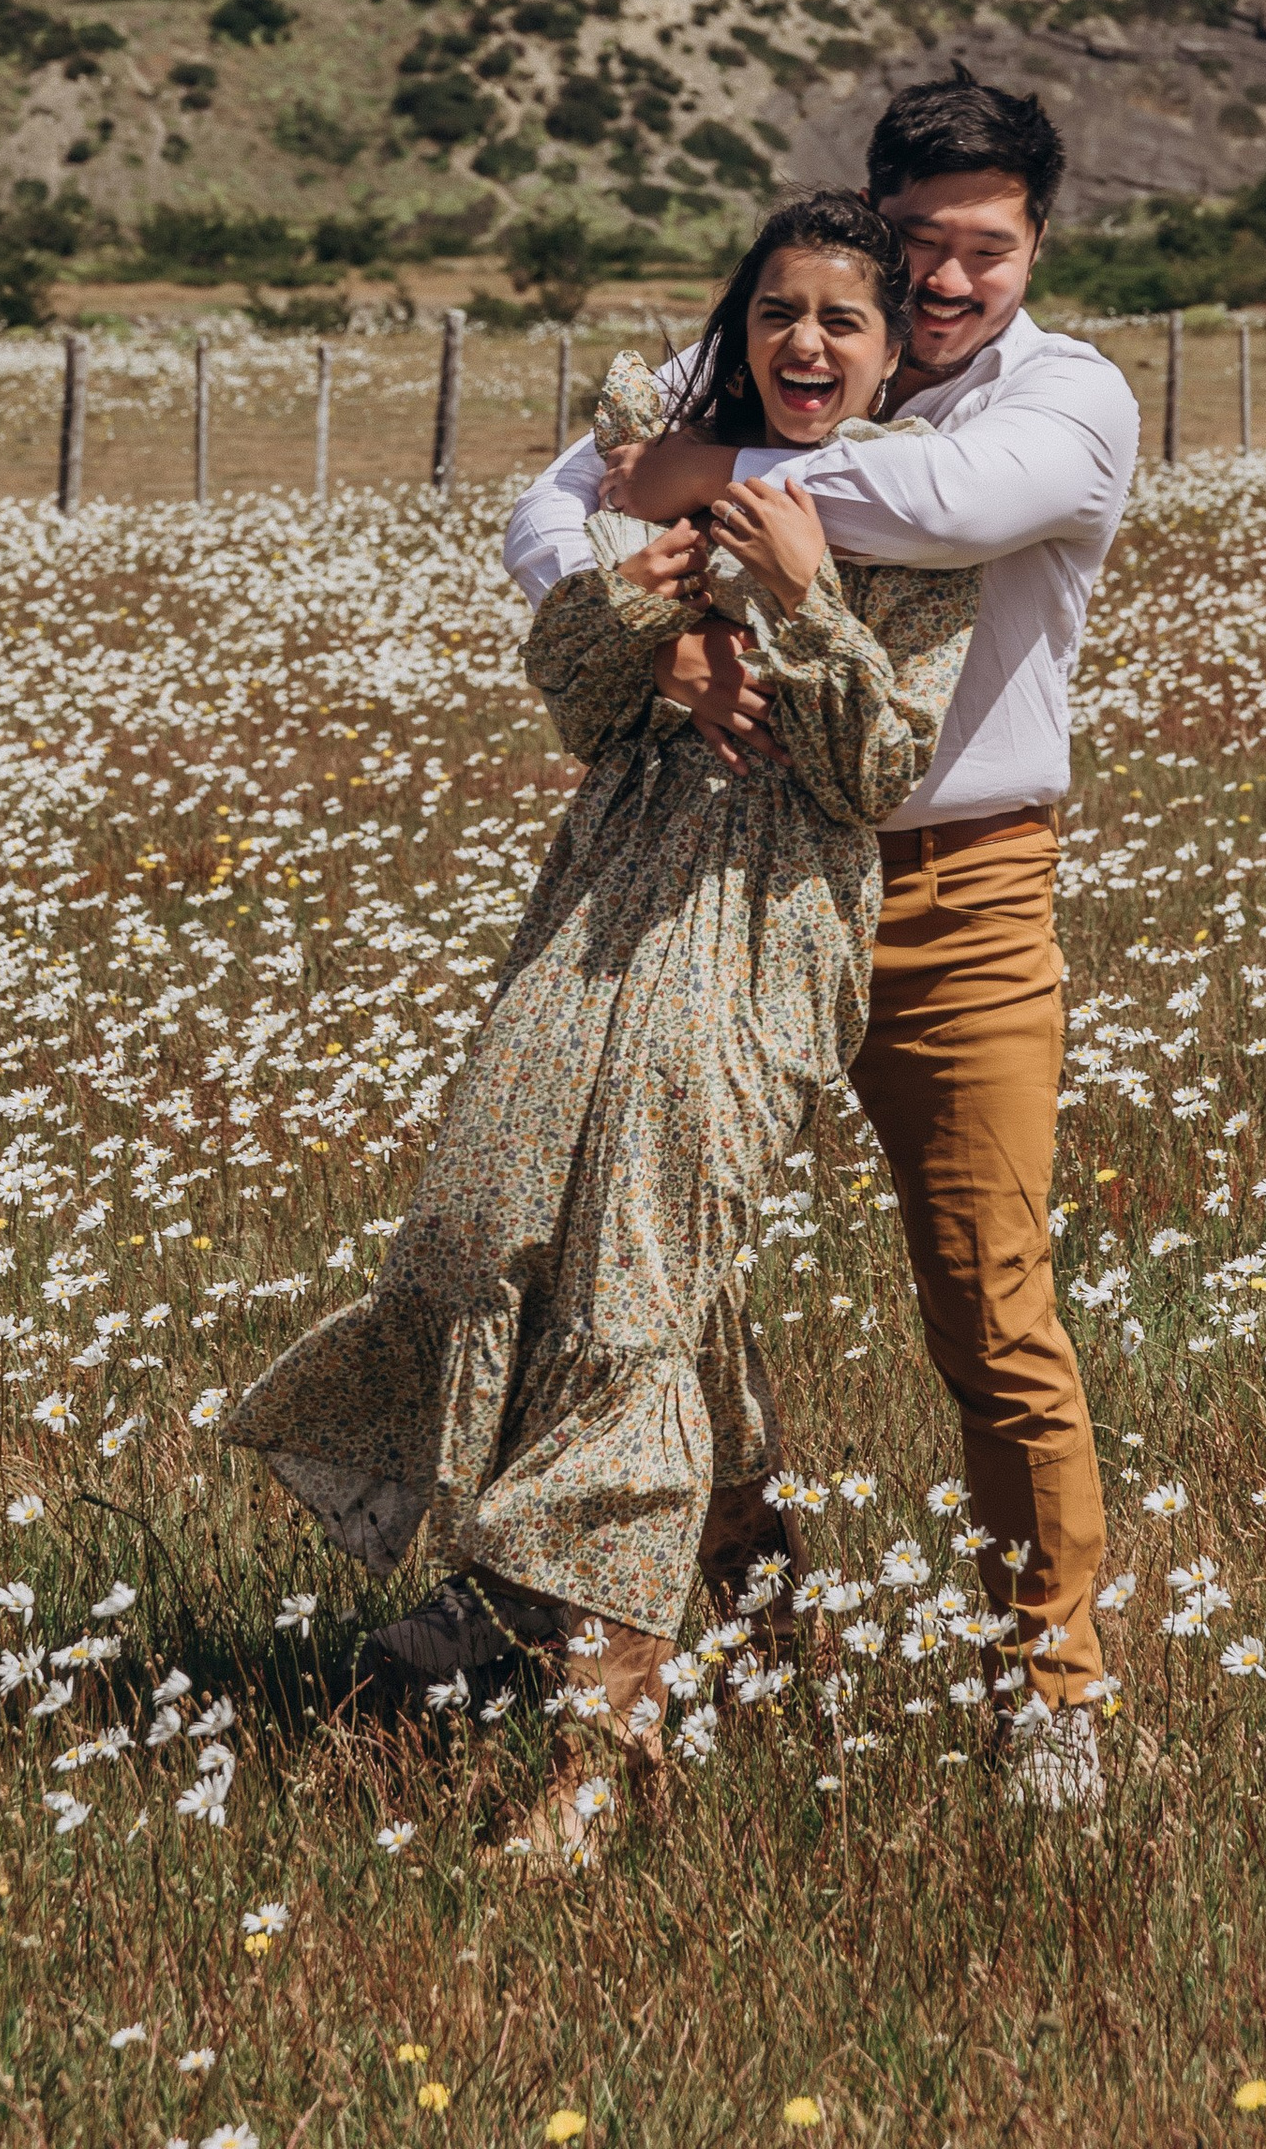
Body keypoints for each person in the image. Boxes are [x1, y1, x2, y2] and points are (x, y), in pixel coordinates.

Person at [225, 192, 979, 1865]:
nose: (807, 344)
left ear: (888, 355)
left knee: (638, 1274)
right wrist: (641, 610)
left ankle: (598, 1751)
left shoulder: (924, 539)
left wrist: (808, 604)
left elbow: (876, 774)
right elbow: (573, 697)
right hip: (605, 882)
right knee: (482, 1230)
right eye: (779, 312)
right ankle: (745, 1585)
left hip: (768, 919)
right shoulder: (676, 485)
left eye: (844, 322)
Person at [504, 73, 1141, 1808]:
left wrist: (695, 475)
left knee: (990, 1300)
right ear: (873, 222)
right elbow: (546, 510)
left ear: (1035, 246)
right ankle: (718, 1596)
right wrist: (650, 638)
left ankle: (1052, 1689)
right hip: (749, 876)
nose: (946, 285)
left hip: (956, 888)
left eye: (985, 251)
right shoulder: (800, 339)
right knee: (647, 1254)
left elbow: (928, 509)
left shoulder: (1069, 399)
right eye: (918, 246)